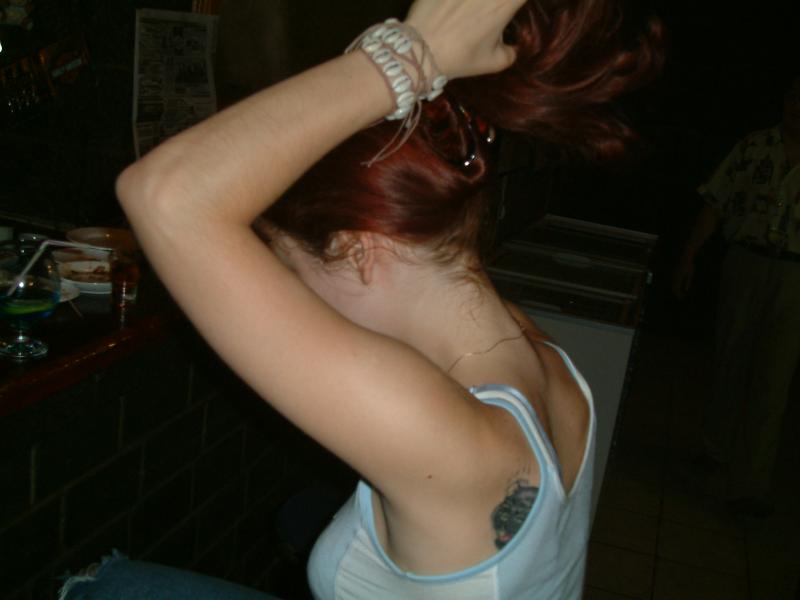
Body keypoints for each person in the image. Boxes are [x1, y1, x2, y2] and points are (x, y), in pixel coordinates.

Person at [62, 1, 661, 598]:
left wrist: (411, 57)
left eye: (287, 266)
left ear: (355, 249)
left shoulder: (444, 439)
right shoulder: (544, 357)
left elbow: (166, 197)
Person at [674, 74, 800, 517]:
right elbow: (715, 201)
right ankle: (715, 448)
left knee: (774, 379)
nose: (797, 107)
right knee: (731, 357)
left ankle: (750, 486)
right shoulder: (754, 147)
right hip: (746, 262)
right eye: (793, 97)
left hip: (794, 275)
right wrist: (689, 256)